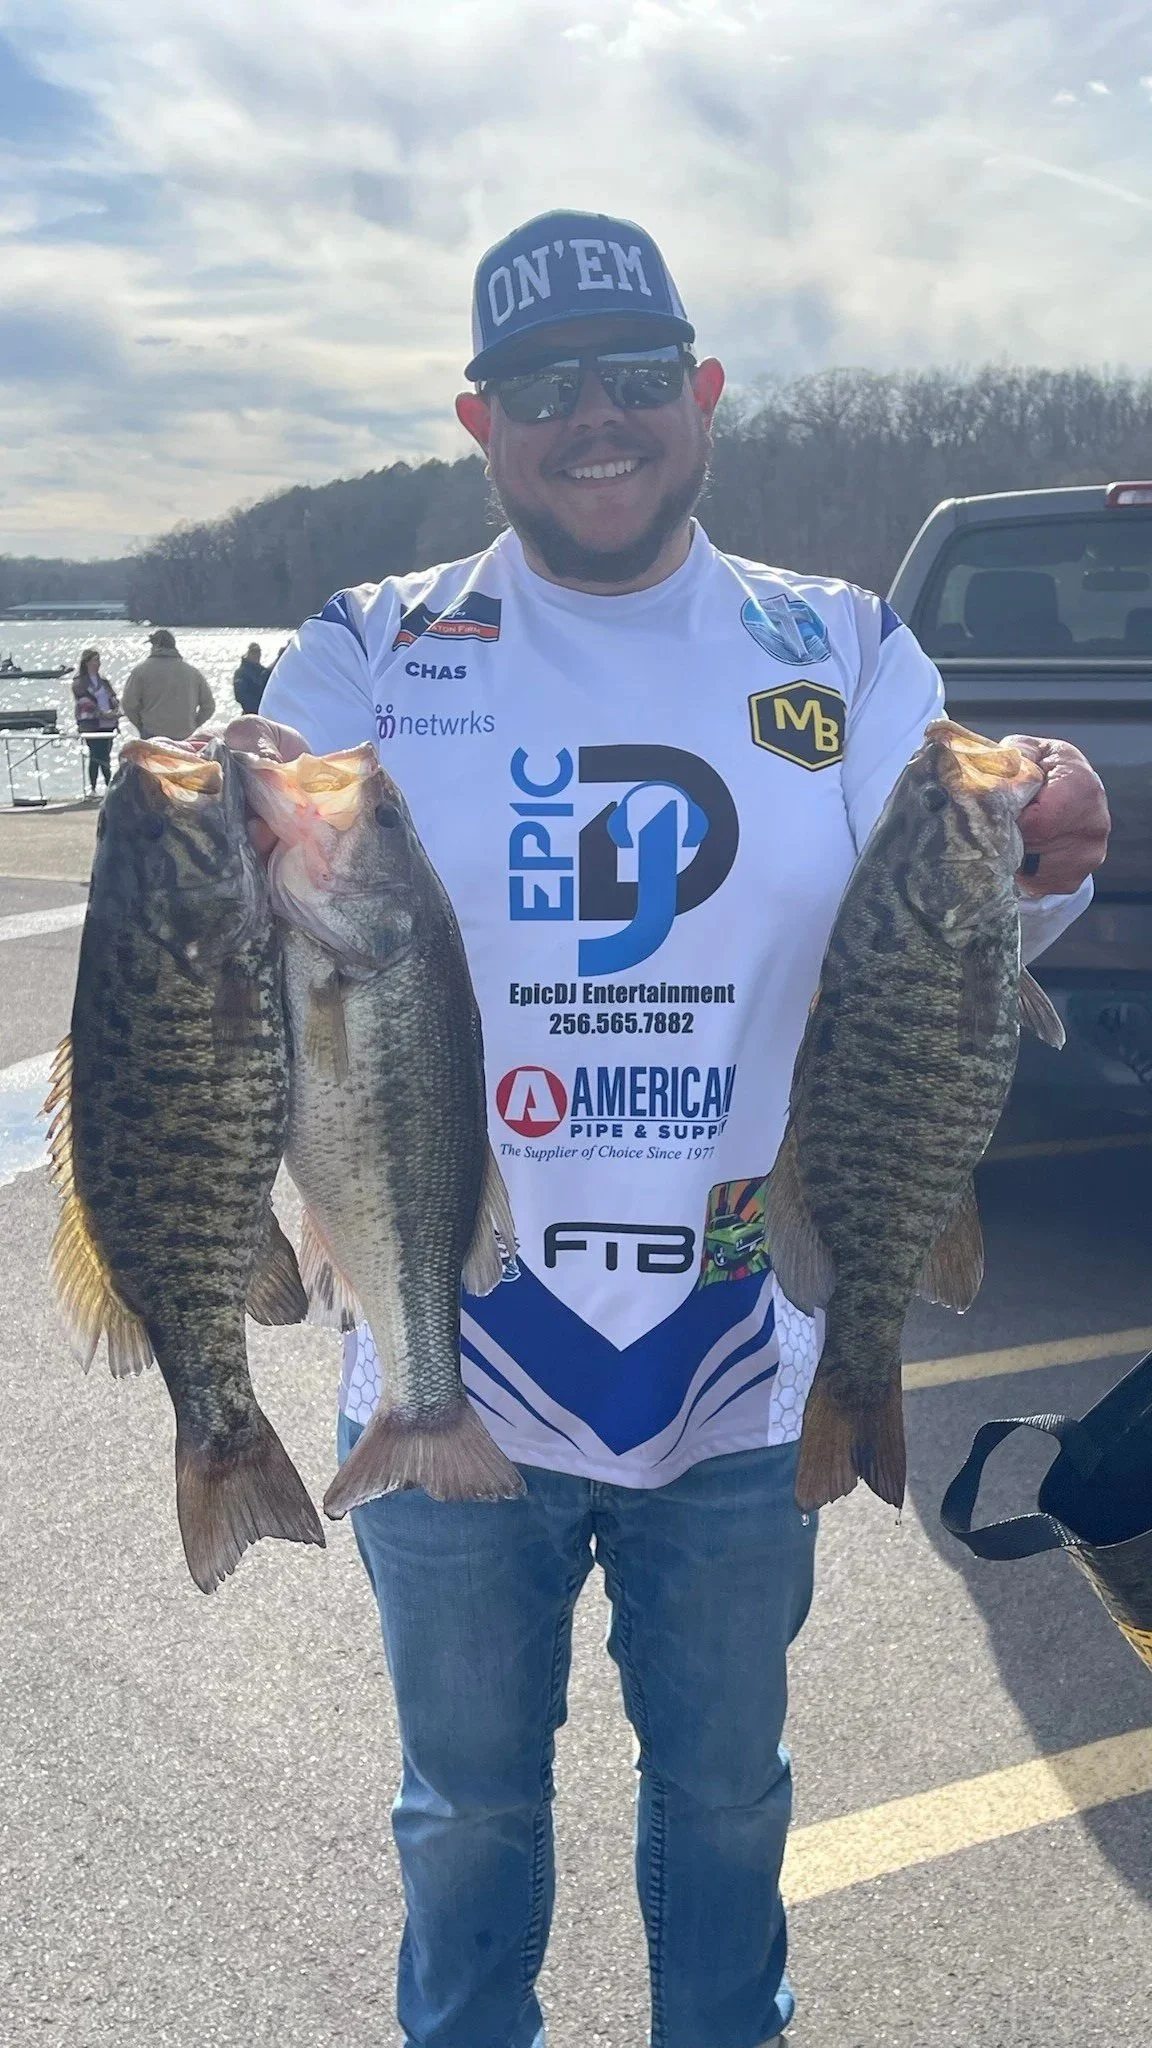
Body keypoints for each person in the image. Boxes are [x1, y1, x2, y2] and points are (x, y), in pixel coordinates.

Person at [254, 210, 1110, 2048]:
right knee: (464, 1814)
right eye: (545, 387)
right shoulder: (365, 652)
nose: (596, 418)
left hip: (739, 1364)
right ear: (479, 421)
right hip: (450, 1349)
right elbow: (252, 925)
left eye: (635, 376)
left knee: (726, 1808)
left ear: (703, 396)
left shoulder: (850, 644)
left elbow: (959, 913)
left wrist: (1051, 823)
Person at [121, 628, 214, 741]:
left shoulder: (141, 671)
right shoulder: (192, 672)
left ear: (154, 646)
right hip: (185, 734)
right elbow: (209, 706)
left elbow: (128, 704)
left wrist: (140, 725)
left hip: (152, 733)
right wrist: (194, 724)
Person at [71, 647, 120, 795]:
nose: (98, 663)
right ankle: (92, 788)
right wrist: (101, 713)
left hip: (108, 725)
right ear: (87, 663)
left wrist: (115, 710)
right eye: (95, 660)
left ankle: (109, 787)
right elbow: (84, 702)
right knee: (95, 755)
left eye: (99, 660)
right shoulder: (79, 682)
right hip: (90, 725)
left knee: (106, 755)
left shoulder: (104, 681)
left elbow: (112, 697)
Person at [232, 641, 269, 716]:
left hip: (264, 713)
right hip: (249, 713)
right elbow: (240, 696)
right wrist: (255, 707)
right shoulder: (241, 673)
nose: (257, 655)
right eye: (254, 652)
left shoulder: (264, 672)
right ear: (248, 654)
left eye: (258, 652)